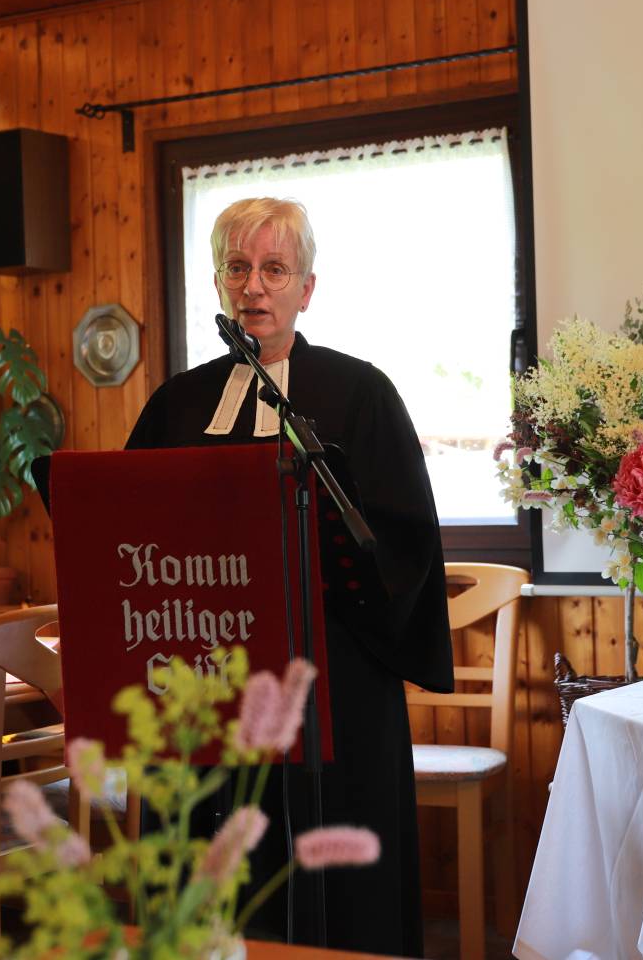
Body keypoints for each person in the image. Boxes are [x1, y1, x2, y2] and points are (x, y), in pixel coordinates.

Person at [126, 196, 452, 957]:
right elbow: (129, 536)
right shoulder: (176, 405)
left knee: (334, 903)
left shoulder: (360, 394)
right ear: (217, 283)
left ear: (307, 287)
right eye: (238, 268)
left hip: (332, 674)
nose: (255, 287)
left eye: (274, 269)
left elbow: (404, 542)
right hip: (205, 685)